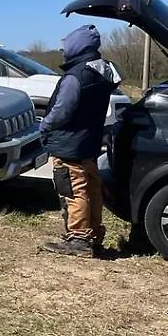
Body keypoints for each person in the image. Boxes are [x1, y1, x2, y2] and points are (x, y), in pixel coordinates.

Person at [39, 25, 121, 257]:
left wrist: (44, 127)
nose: (64, 50)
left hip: (69, 143)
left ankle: (79, 239)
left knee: (74, 191)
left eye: (67, 46)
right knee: (91, 188)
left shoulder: (76, 76)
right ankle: (93, 235)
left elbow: (62, 111)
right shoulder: (102, 71)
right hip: (89, 142)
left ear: (77, 46)